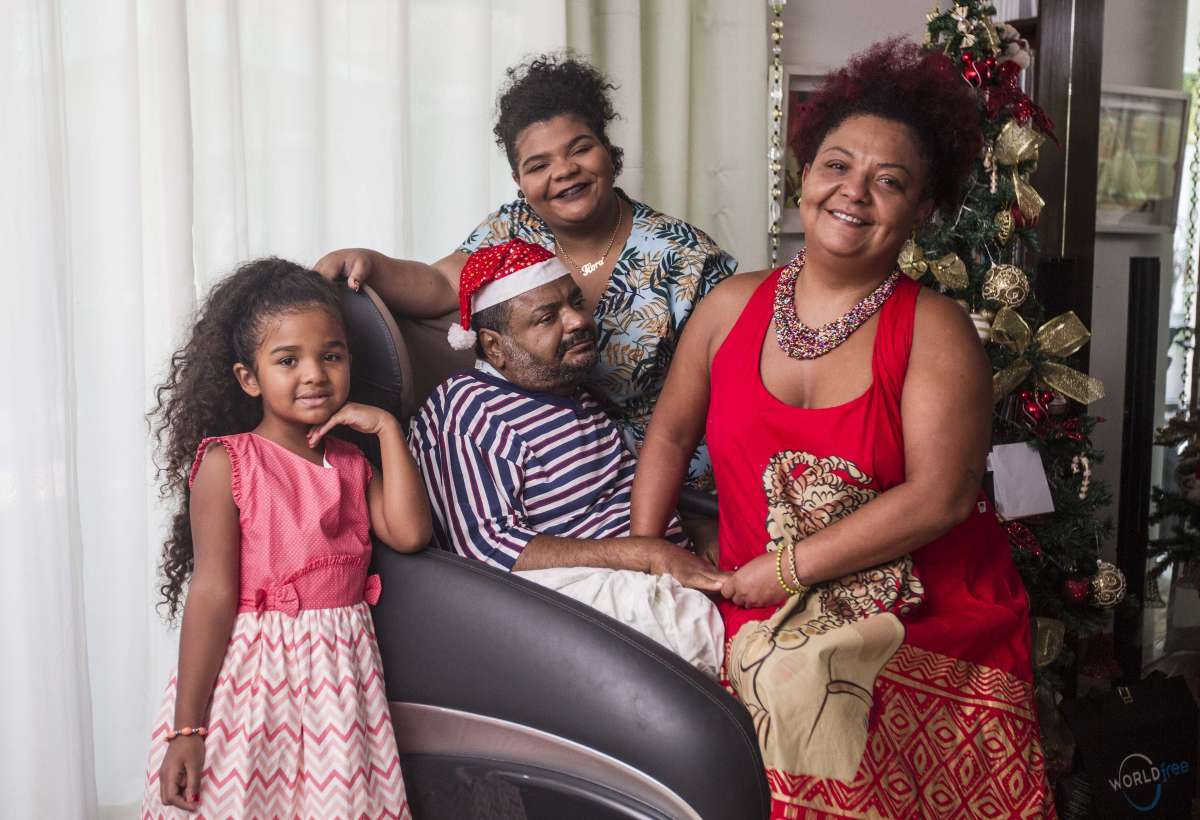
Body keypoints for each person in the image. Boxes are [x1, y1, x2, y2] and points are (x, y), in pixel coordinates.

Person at [631, 40, 1054, 817]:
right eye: (836, 165)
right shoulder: (729, 308)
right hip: (757, 592)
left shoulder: (935, 329)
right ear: (805, 174)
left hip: (917, 605)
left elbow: (940, 499)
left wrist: (786, 569)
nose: (852, 192)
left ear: (923, 209)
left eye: (888, 181)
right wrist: (646, 549)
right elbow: (667, 435)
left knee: (806, 696)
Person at [315, 53, 737, 490]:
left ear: (609, 152)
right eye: (538, 165)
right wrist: (372, 263)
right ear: (520, 183)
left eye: (580, 149)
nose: (564, 171)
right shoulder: (512, 227)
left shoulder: (685, 257)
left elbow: (731, 393)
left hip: (667, 480)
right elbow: (443, 282)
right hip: (548, 466)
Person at [141, 259, 431, 817]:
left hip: (340, 689)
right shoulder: (229, 463)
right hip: (255, 685)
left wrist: (387, 430)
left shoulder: (350, 461)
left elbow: (411, 533)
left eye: (331, 355)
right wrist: (188, 728)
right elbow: (211, 595)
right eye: (287, 360)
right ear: (249, 378)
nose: (314, 375)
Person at [410, 239, 726, 676]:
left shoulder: (570, 390)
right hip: (567, 606)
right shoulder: (466, 412)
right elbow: (488, 551)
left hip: (652, 573)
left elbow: (618, 501)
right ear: (494, 347)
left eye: (575, 302)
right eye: (547, 318)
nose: (579, 320)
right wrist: (644, 555)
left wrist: (696, 528)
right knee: (726, 642)